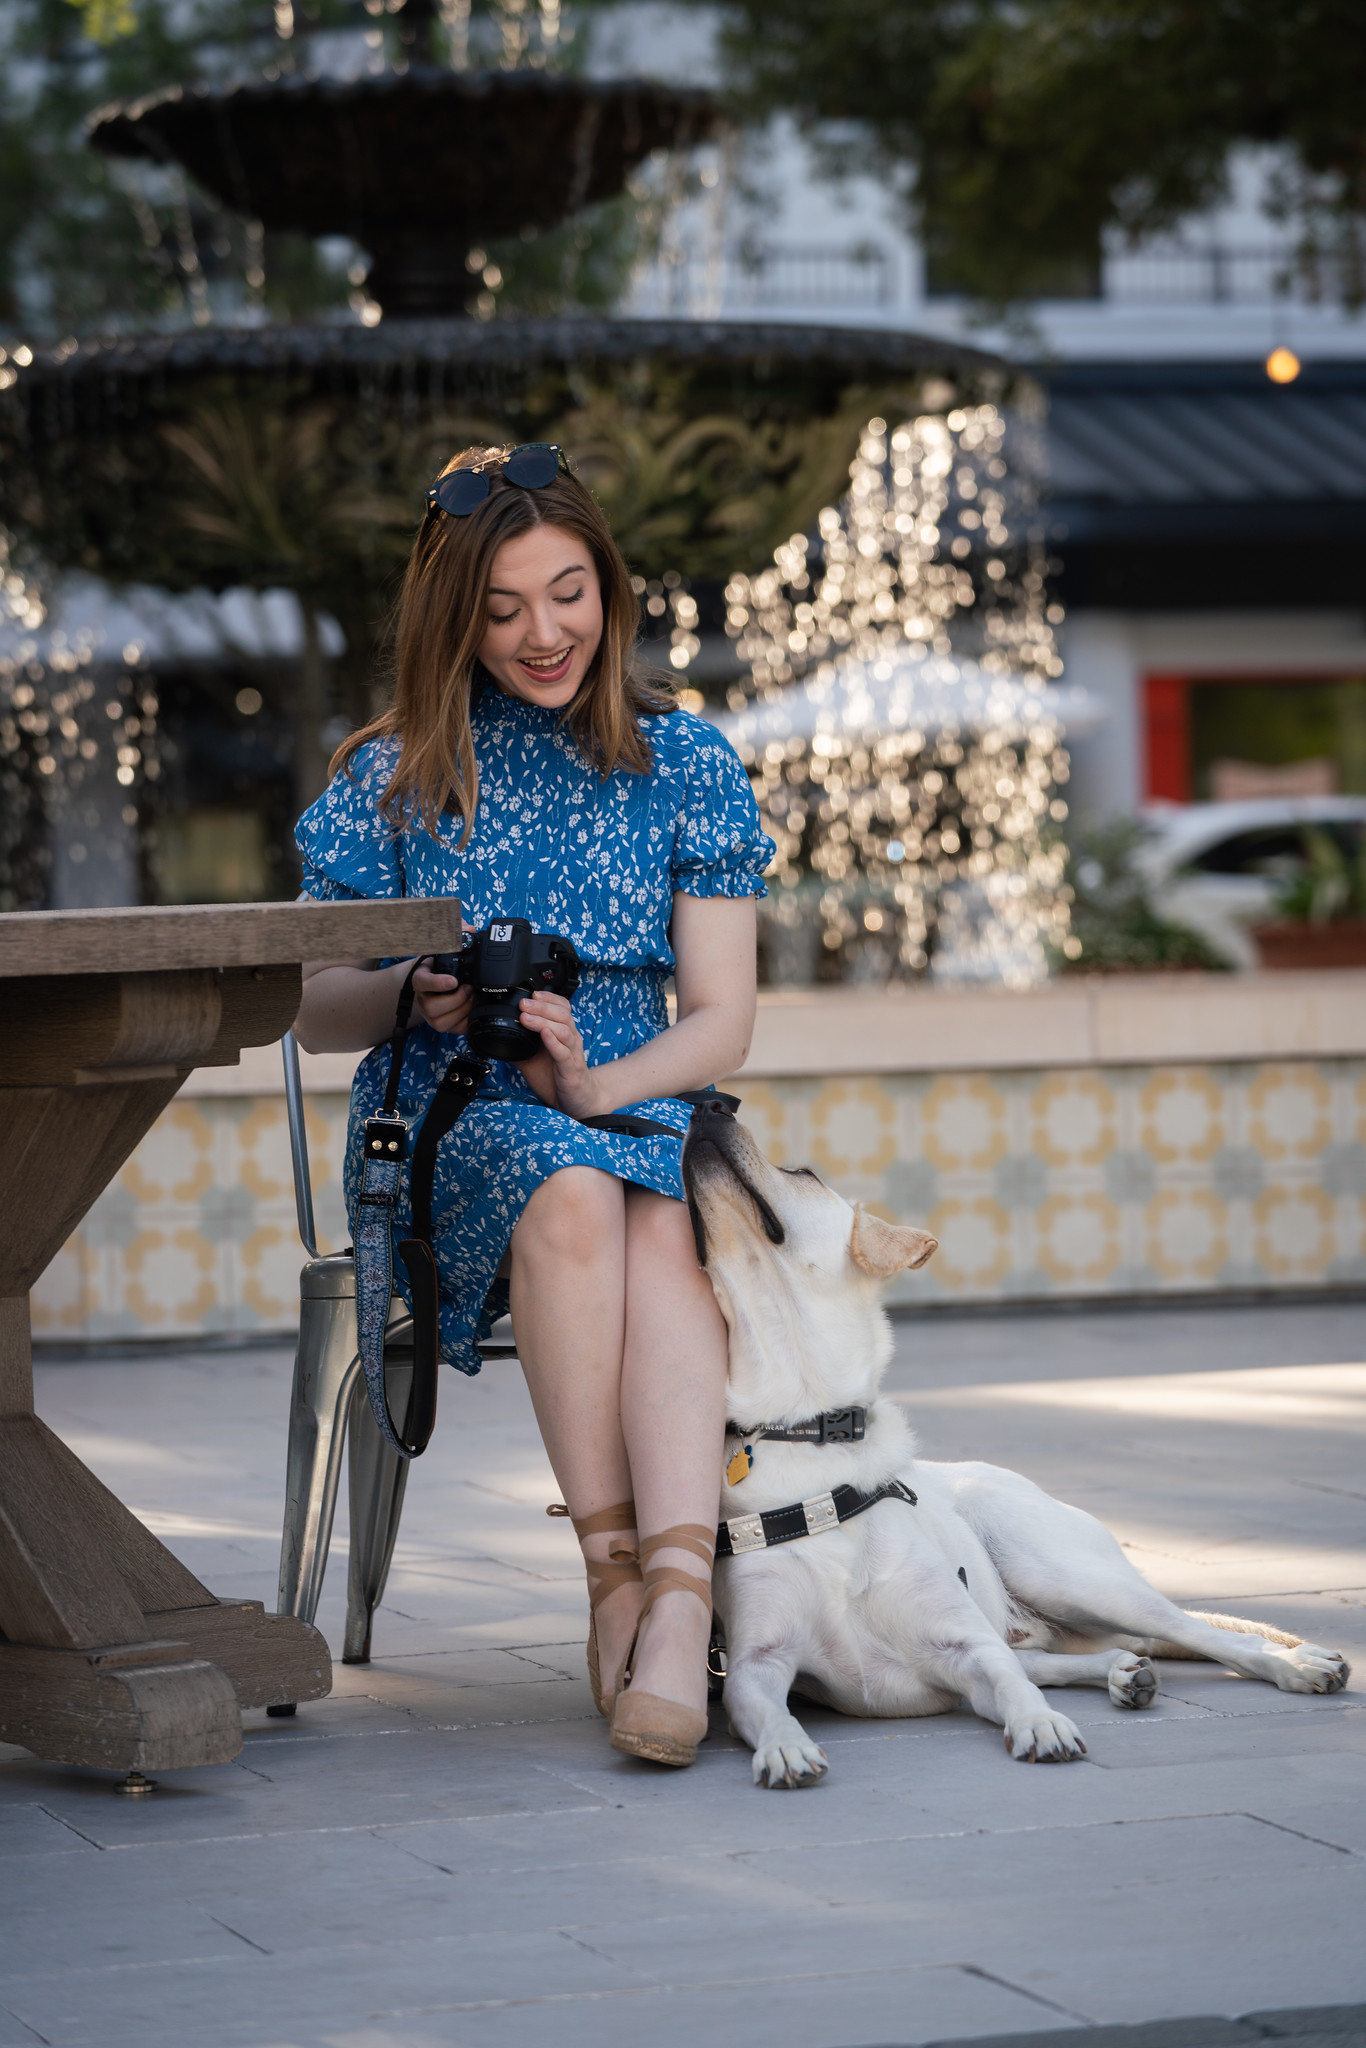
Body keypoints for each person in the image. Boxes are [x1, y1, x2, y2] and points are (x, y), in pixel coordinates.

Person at [292, 443, 772, 1768]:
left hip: (633, 1095)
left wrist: (601, 1082)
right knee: (583, 1188)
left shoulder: (682, 761)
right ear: (455, 618)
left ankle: (667, 1600)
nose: (542, 634)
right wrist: (412, 991)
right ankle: (626, 1580)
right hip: (447, 1116)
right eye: (501, 611)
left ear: (608, 591)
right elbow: (310, 1008)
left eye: (567, 594)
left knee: (644, 1199)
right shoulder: (397, 771)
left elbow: (722, 1019)